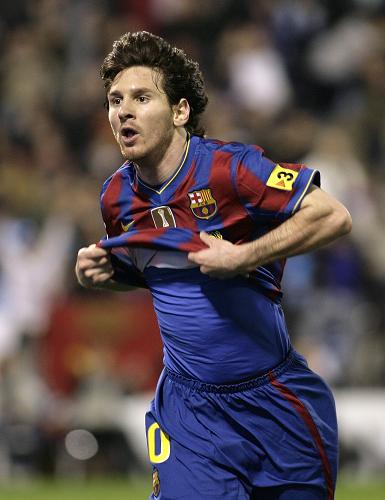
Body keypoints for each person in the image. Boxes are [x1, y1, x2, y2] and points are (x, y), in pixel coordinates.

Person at [75, 31, 352, 500]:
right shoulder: (116, 198)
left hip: (274, 402)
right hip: (190, 412)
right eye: (115, 99)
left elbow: (334, 216)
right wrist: (107, 276)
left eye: (142, 97)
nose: (123, 110)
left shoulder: (232, 169)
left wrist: (244, 256)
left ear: (181, 111)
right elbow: (160, 275)